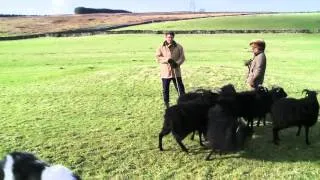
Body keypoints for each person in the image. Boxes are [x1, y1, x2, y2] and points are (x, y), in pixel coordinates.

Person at [156, 31, 186, 108]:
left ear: (173, 37)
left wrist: (177, 63)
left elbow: (182, 58)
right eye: (168, 37)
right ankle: (166, 104)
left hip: (176, 71)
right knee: (165, 89)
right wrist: (167, 60)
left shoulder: (179, 47)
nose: (170, 39)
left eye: (171, 37)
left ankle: (183, 102)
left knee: (180, 88)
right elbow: (158, 58)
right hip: (165, 72)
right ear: (165, 37)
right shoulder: (161, 47)